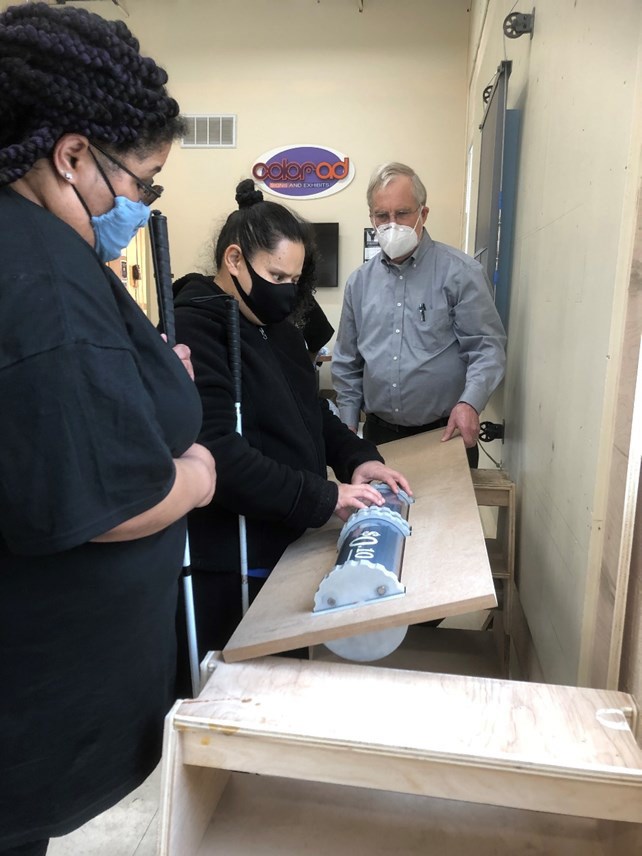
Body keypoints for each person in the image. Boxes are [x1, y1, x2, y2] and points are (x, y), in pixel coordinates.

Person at [0, 5, 217, 855]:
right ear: (72, 155)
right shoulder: (40, 276)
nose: (143, 205)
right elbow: (100, 501)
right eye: (145, 183)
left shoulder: (42, 248)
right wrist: (195, 472)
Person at [172, 179, 411, 676]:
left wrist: (357, 457)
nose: (286, 292)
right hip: (230, 558)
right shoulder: (193, 329)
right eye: (276, 275)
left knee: (282, 679)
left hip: (286, 543)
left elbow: (311, 413)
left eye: (294, 280)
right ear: (234, 260)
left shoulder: (276, 327)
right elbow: (217, 452)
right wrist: (326, 498)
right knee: (235, 692)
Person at [332, 162, 507, 467]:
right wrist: (348, 425)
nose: (391, 224)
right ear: (372, 218)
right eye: (382, 216)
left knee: (444, 517)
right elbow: (347, 361)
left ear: (423, 214)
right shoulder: (359, 283)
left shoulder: (461, 273)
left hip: (445, 434)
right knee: (381, 517)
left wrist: (470, 403)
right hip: (379, 438)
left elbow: (486, 348)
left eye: (402, 213)